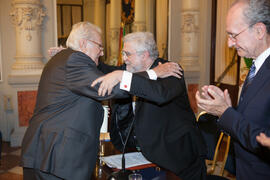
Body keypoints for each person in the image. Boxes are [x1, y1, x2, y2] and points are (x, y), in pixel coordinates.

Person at [21, 22, 179, 180]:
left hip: (50, 153)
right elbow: (108, 87)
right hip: (56, 156)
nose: (102, 52)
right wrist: (154, 73)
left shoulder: (67, 58)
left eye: (127, 54)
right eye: (100, 46)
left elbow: (109, 73)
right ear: (84, 43)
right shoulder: (74, 59)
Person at [92, 32, 208, 180]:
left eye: (127, 54)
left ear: (144, 55)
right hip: (148, 157)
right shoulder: (132, 69)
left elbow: (159, 94)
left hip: (180, 160)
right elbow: (105, 69)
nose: (124, 59)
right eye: (123, 53)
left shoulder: (170, 70)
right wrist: (76, 55)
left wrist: (121, 76)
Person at [196, 0, 270, 179]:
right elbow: (256, 121)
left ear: (259, 31)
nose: (230, 43)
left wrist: (226, 112)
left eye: (234, 35)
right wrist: (229, 111)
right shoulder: (257, 67)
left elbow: (264, 140)